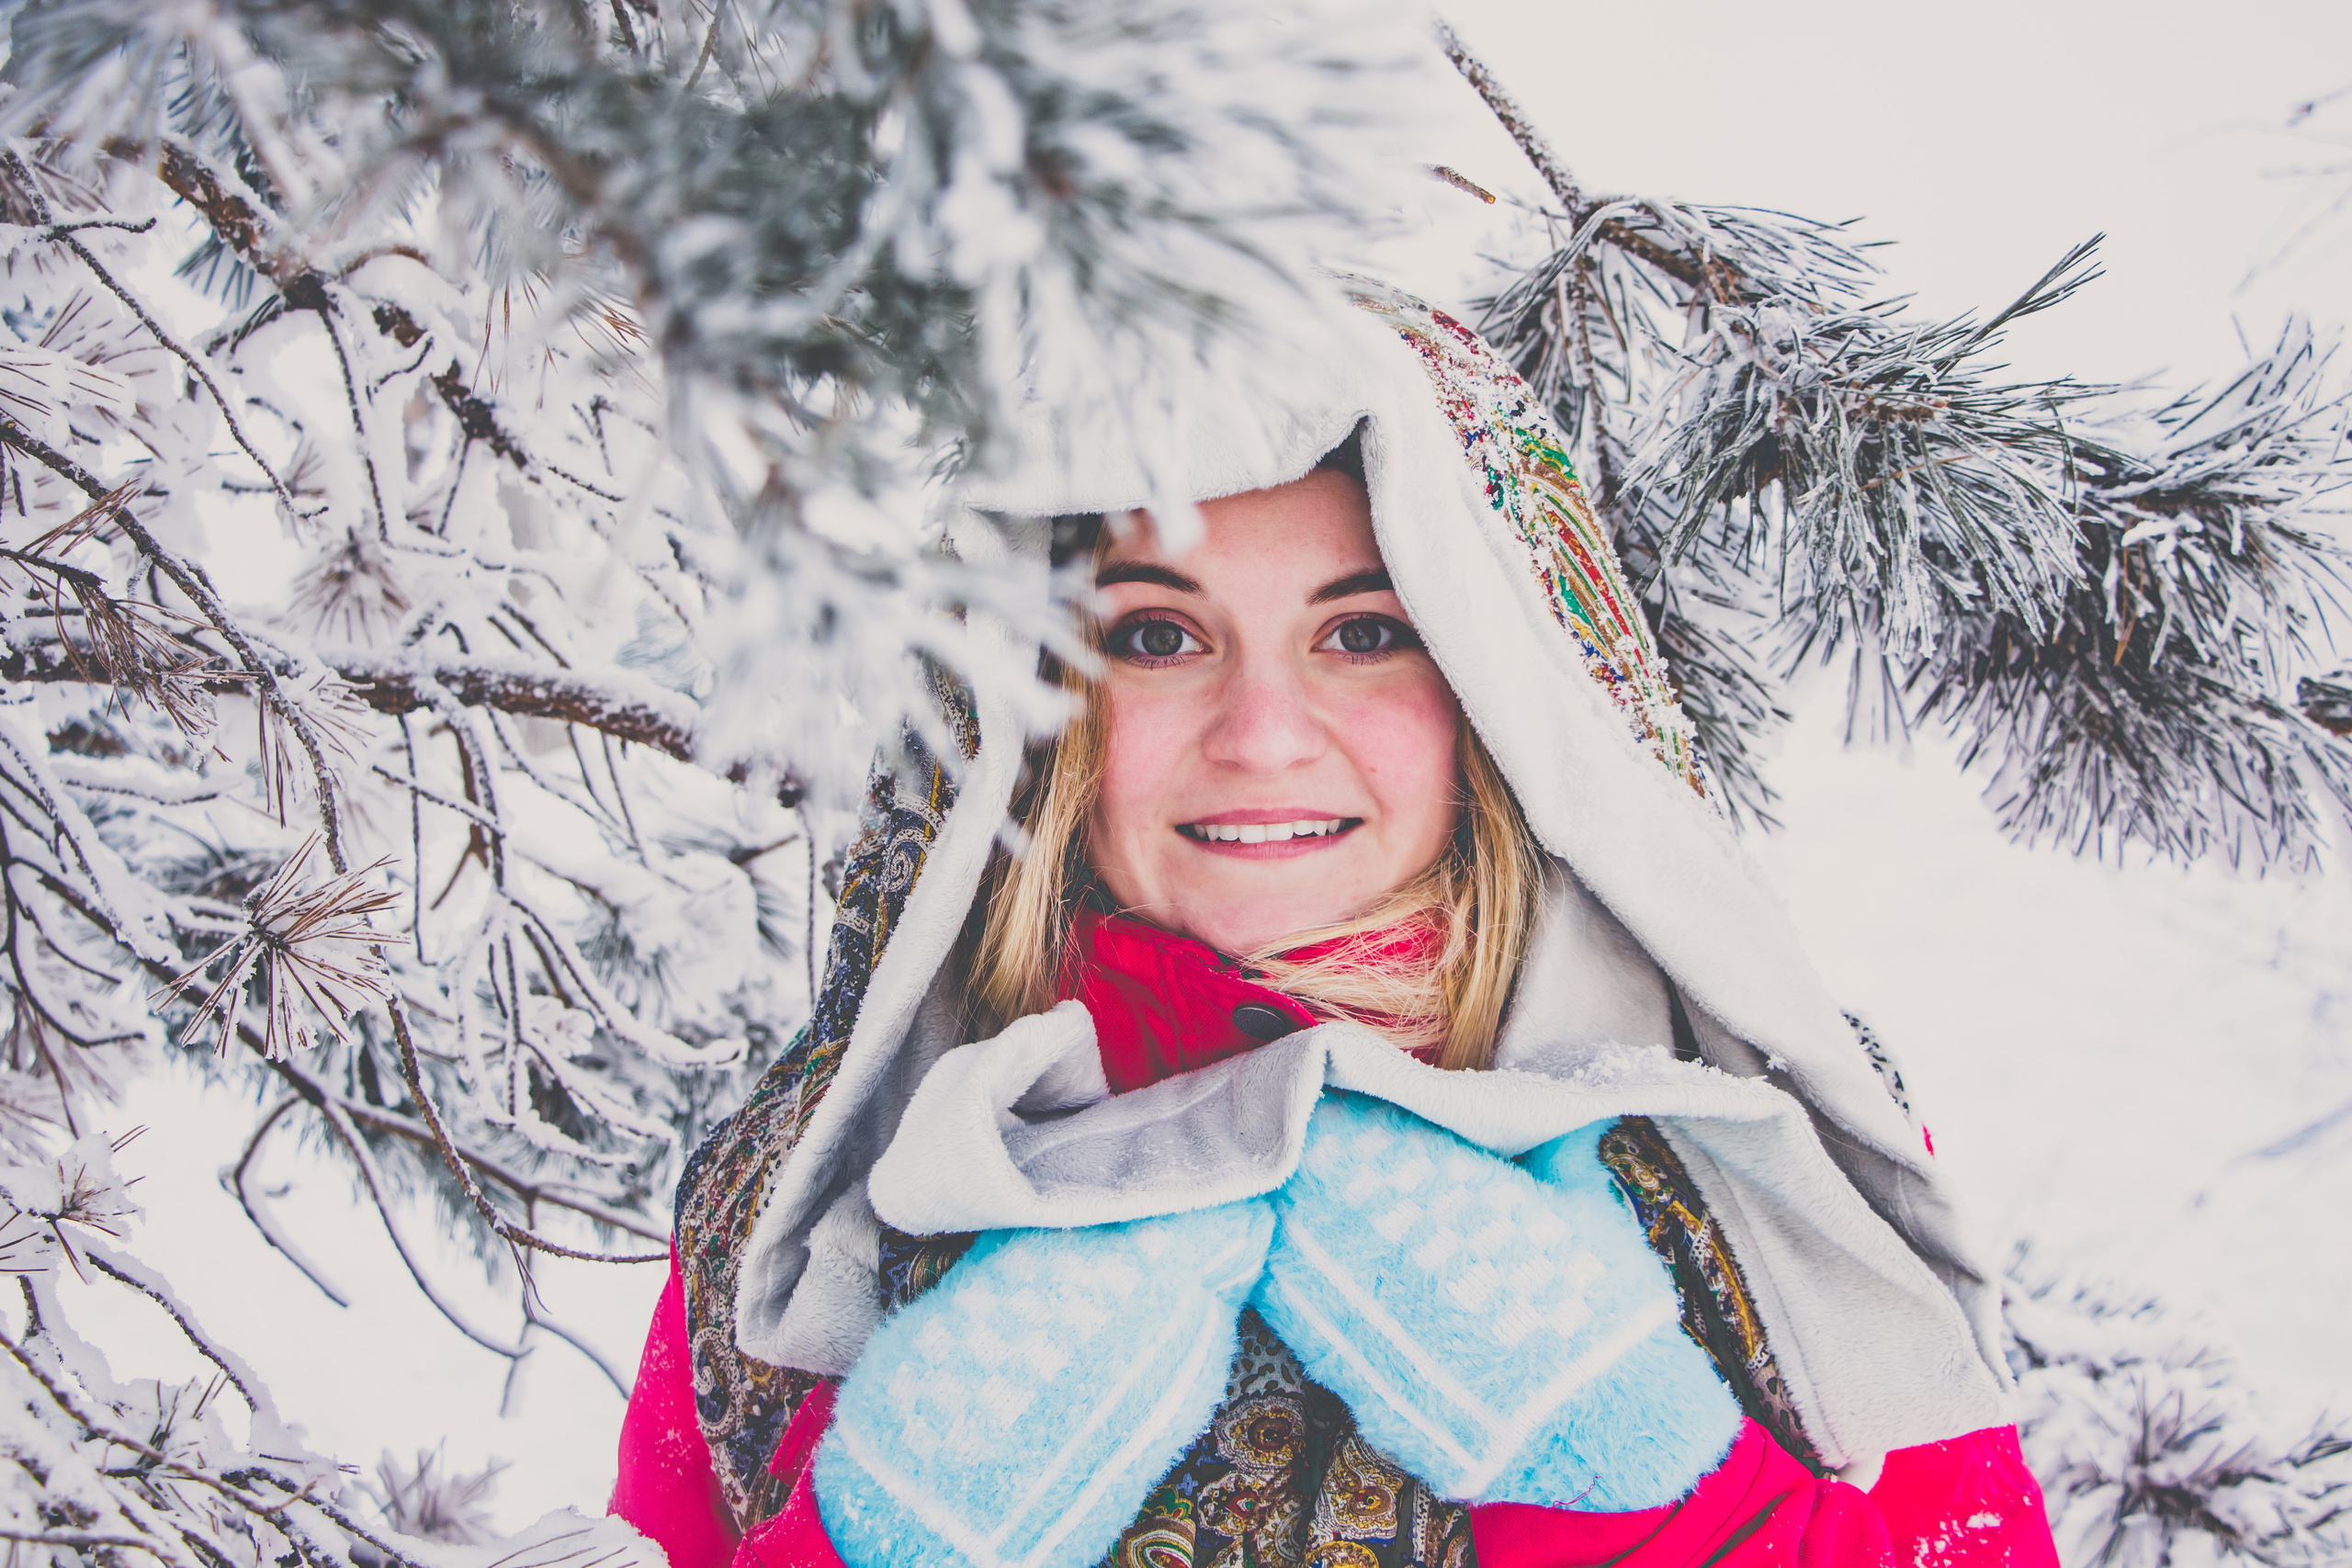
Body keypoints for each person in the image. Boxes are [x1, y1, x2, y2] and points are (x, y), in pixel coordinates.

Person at [608, 280, 2059, 1568]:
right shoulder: (810, 1200)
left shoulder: (1760, 1146)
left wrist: (1657, 1496)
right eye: (1157, 635)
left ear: (1500, 689)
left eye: (1364, 632)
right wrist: (892, 1536)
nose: (1263, 735)